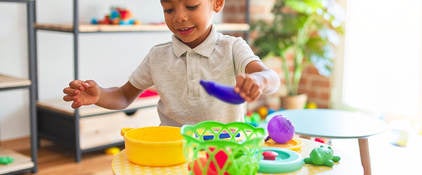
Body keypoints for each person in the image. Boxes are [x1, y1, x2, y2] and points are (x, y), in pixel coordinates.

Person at [62, 0, 280, 126]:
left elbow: (271, 77)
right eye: (169, 9)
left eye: (191, 6)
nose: (179, 17)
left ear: (217, 3)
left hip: (226, 150)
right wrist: (99, 95)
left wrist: (259, 80)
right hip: (173, 151)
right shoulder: (157, 57)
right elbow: (123, 95)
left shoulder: (233, 47)